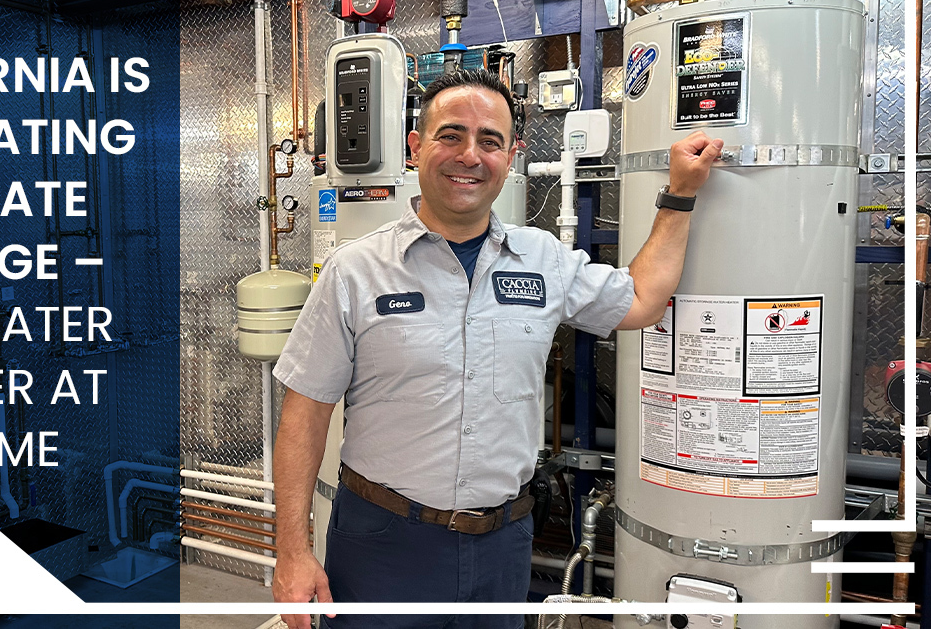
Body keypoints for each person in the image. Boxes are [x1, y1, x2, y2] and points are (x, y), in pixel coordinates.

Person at [270, 68, 723, 629]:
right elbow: (305, 414)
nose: (470, 155)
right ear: (416, 148)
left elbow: (643, 301)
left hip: (503, 544)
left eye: (490, 140)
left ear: (513, 155)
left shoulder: (545, 261)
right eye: (451, 135)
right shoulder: (355, 270)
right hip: (383, 542)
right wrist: (292, 550)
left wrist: (679, 196)